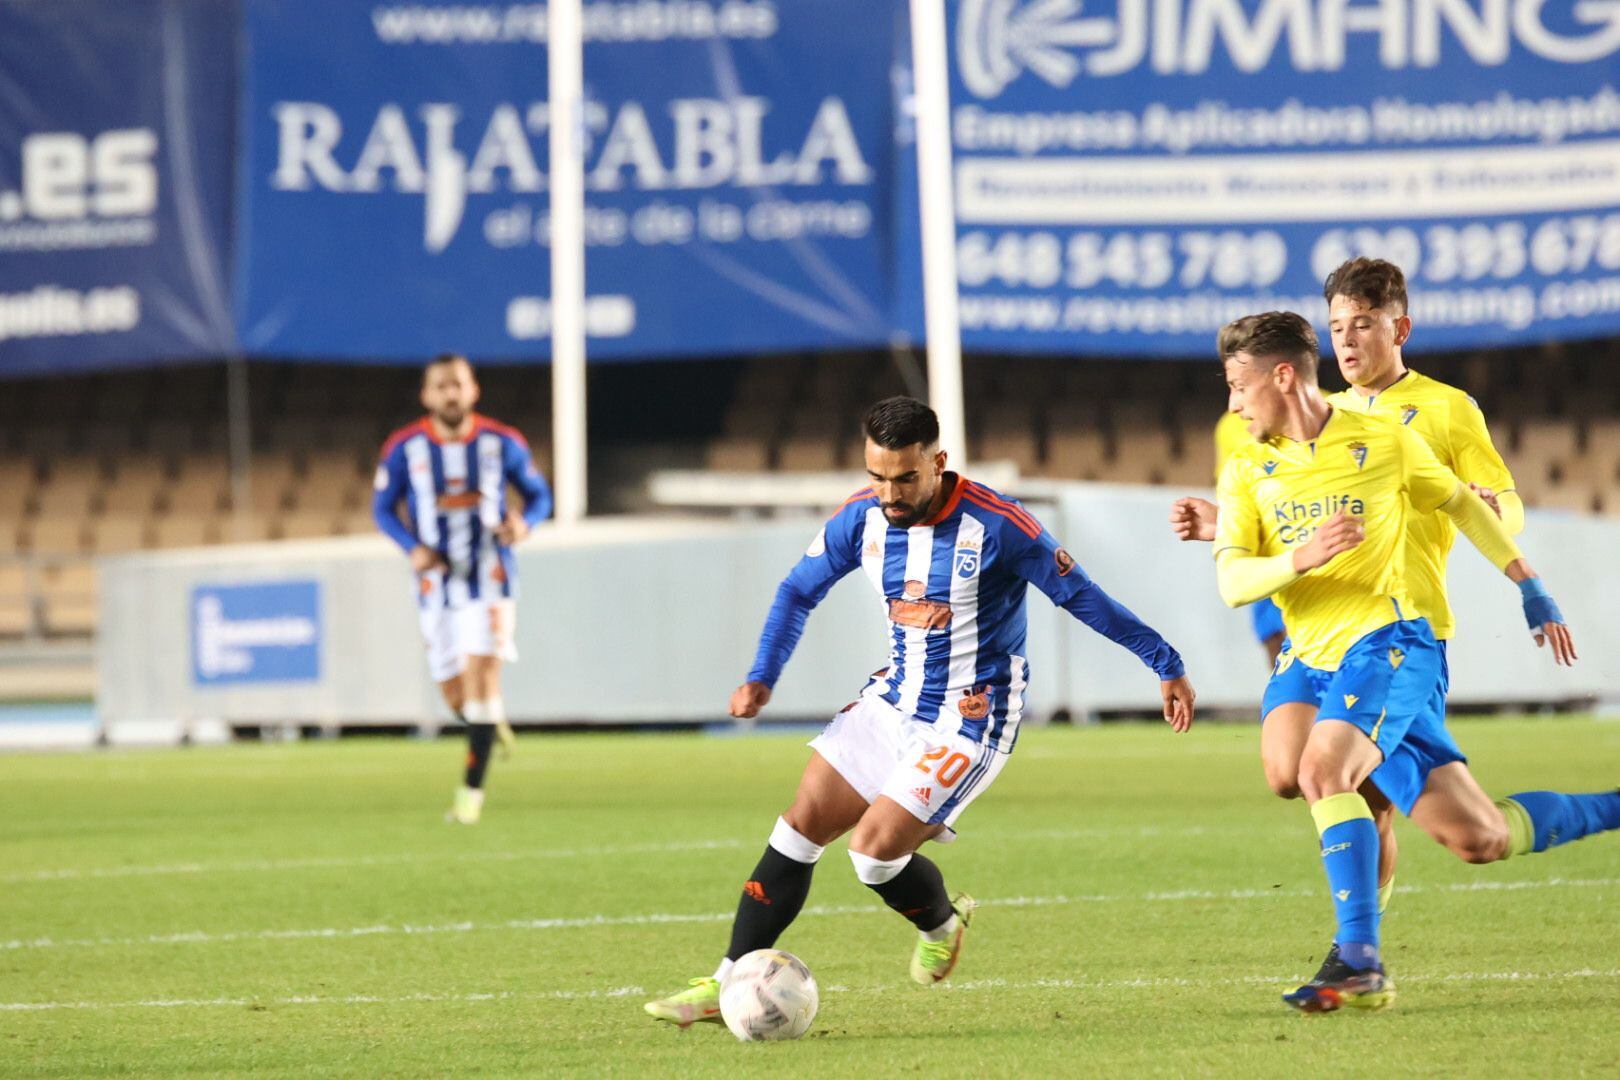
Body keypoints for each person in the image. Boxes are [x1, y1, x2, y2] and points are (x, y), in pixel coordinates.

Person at [645, 396, 1196, 1028]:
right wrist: (761, 676)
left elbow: (1080, 596)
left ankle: (940, 920)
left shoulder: (999, 526)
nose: (890, 492)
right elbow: (798, 589)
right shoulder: (863, 517)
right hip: (894, 699)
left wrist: (1165, 662)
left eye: (906, 478)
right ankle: (724, 984)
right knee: (797, 828)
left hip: (972, 714)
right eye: (878, 476)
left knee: (872, 855)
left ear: (938, 461)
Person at [1208, 312, 1619, 1012]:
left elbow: (1461, 501)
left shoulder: (1384, 440)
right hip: (1309, 658)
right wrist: (1300, 557)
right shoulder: (1245, 467)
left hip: (1389, 643)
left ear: (1282, 376)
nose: (1233, 403)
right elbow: (1232, 582)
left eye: (1238, 385)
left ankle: (1359, 964)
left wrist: (1530, 584)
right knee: (1477, 835)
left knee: (1322, 771)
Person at [1173, 259, 1525, 917]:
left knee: (1419, 817)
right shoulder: (1318, 414)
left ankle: (1361, 942)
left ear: (1400, 328)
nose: (1348, 340)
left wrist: (1492, 512)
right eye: (1337, 326)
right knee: (1304, 776)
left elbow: (1498, 500)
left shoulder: (1447, 409)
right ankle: (1360, 940)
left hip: (1409, 624)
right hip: (1325, 632)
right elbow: (1292, 516)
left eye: (1362, 324)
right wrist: (1223, 526)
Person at [373, 354, 553, 824]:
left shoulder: (502, 442)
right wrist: (410, 546)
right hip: (435, 585)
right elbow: (382, 509)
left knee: (481, 677)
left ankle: (469, 800)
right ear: (426, 395)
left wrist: (524, 523)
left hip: (491, 577)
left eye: (458, 384)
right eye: (441, 386)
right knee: (457, 697)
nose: (450, 393)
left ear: (473, 391)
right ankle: (491, 725)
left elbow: (540, 497)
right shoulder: (404, 447)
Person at [1215, 410, 1286, 666]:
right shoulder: (1231, 423)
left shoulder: (1330, 405)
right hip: (1263, 553)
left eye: (1242, 386)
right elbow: (1229, 493)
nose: (1235, 401)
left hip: (1313, 549)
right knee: (1277, 646)